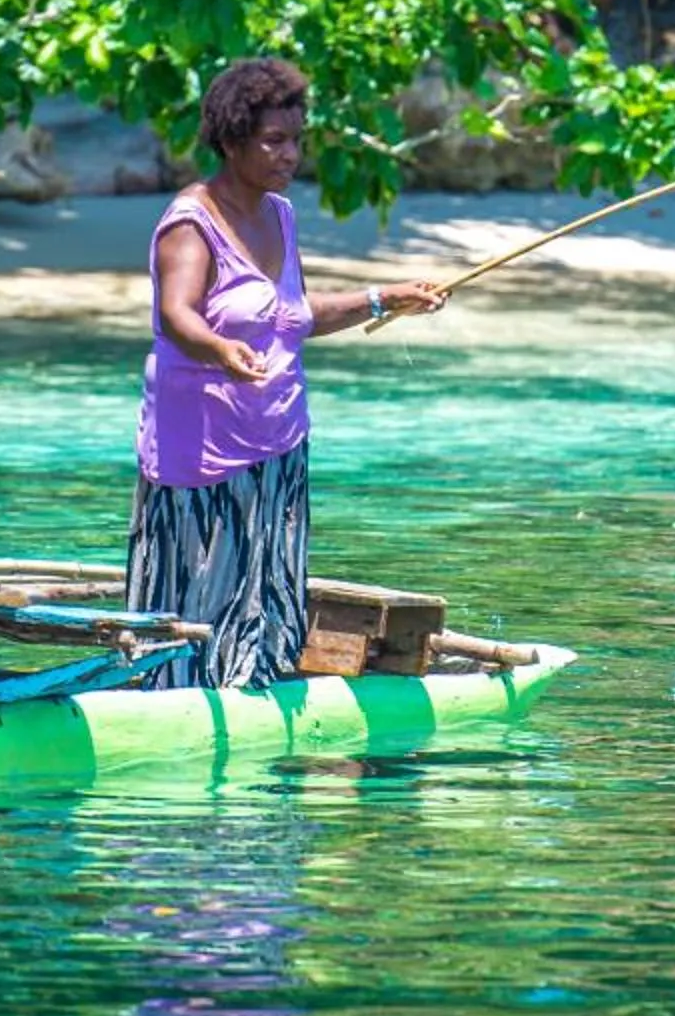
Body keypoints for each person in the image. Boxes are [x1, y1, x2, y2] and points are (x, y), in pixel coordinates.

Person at [130, 58, 445, 687]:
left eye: (296, 140)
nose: (290, 155)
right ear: (231, 141)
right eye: (274, 140)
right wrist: (220, 350)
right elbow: (176, 314)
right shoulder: (192, 222)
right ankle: (175, 697)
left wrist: (383, 299)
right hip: (203, 456)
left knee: (266, 602)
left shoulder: (279, 215)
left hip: (278, 445)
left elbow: (292, 317)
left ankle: (255, 692)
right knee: (194, 605)